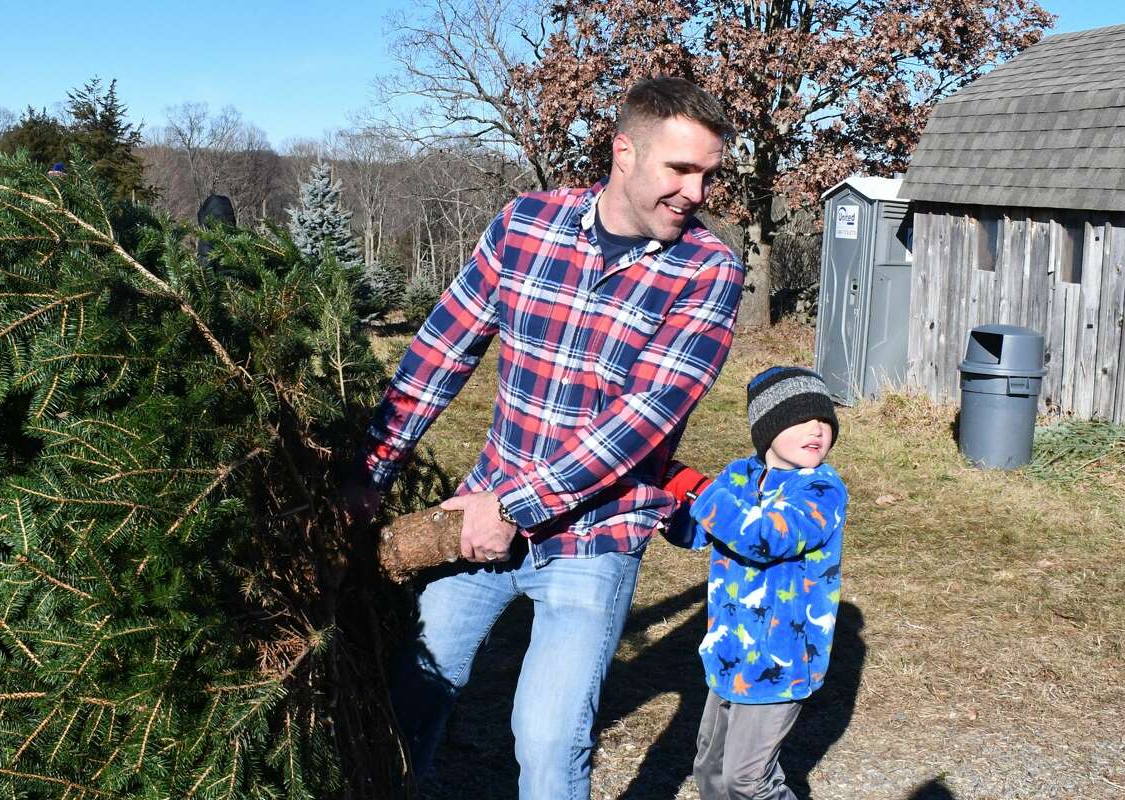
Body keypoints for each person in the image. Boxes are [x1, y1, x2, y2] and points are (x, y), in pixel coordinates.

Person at [347, 76, 746, 799]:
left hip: (595, 537)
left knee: (548, 739)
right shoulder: (526, 224)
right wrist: (372, 469)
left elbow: (640, 422)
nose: (696, 192)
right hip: (478, 517)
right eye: (681, 169)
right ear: (624, 151)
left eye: (708, 175)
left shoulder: (707, 270)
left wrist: (512, 507)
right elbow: (440, 351)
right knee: (409, 697)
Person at [661, 366, 849, 800]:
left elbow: (767, 537)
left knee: (747, 781)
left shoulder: (822, 490)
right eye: (801, 419)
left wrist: (696, 489)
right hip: (730, 653)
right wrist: (664, 506)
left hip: (780, 662)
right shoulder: (739, 476)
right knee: (711, 770)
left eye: (824, 421)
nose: (816, 430)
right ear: (768, 428)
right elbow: (698, 532)